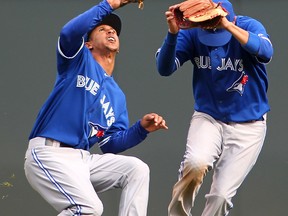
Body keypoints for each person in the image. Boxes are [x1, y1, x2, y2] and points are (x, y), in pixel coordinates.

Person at [24, 0, 168, 215]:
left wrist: (141, 129)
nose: (110, 31)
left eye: (114, 31)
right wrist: (109, 4)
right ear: (88, 43)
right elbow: (68, 33)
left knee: (136, 169)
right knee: (89, 208)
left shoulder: (117, 96)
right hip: (49, 153)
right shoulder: (77, 61)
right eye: (102, 29)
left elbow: (110, 144)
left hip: (82, 159)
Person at [155, 0, 273, 215]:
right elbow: (164, 68)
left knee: (221, 196)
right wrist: (172, 34)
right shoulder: (193, 33)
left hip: (249, 124)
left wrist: (226, 25)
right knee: (195, 163)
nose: (211, 32)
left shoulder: (249, 26)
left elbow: (266, 51)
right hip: (209, 117)